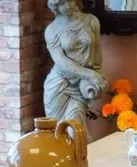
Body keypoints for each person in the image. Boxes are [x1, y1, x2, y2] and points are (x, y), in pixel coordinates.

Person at [43, 0, 107, 131]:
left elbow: (96, 52)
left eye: (69, 1)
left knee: (76, 129)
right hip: (60, 85)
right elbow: (61, 62)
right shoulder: (52, 30)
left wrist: (97, 75)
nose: (67, 6)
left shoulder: (92, 21)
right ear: (55, 5)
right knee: (57, 131)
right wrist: (90, 75)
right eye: (61, 3)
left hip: (81, 83)